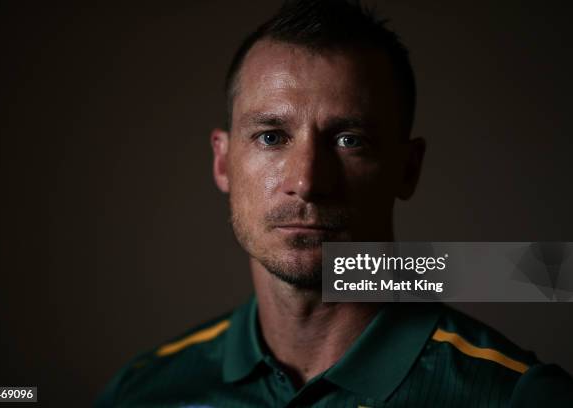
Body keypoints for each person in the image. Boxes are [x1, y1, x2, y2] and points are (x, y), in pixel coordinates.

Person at [97, 0, 573, 406]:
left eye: (349, 140)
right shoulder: (143, 390)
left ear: (407, 169)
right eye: (270, 137)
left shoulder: (515, 396)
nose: (306, 181)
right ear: (223, 163)